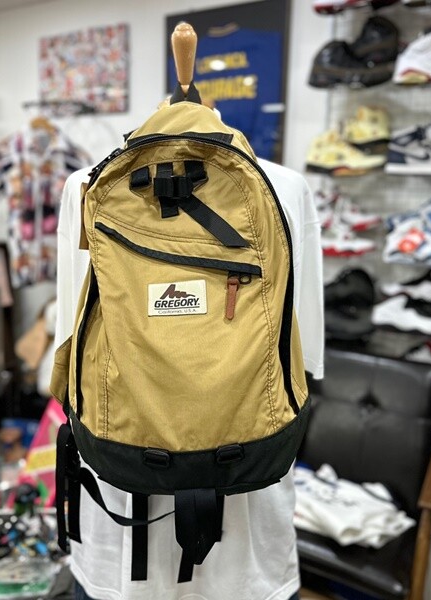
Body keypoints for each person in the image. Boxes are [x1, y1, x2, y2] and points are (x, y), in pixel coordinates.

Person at [55, 153, 324, 600]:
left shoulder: (85, 185)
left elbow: (71, 345)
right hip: (248, 540)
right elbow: (304, 358)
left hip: (118, 524)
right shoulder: (284, 186)